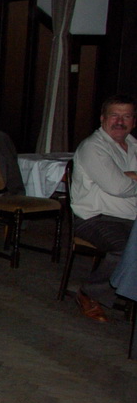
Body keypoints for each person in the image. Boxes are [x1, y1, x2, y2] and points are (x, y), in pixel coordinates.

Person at [69, 95, 137, 322]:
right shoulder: (93, 147)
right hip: (96, 218)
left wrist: (130, 177)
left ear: (134, 121)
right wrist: (126, 179)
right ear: (102, 118)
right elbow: (117, 187)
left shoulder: (134, 146)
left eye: (126, 116)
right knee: (128, 250)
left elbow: (122, 185)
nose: (120, 122)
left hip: (130, 218)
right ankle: (89, 293)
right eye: (114, 116)